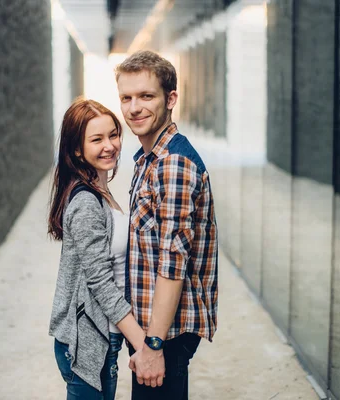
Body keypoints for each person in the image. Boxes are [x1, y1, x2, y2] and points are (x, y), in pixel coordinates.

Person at [115, 50, 219, 399]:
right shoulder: (148, 158)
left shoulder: (172, 164)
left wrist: (154, 345)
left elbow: (172, 263)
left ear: (171, 98)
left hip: (164, 335)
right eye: (126, 98)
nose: (134, 108)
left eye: (146, 96)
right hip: (149, 331)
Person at [48, 98, 146, 400]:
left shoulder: (101, 192)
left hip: (104, 335)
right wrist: (145, 344)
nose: (110, 146)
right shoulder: (87, 203)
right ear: (77, 149)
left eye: (113, 135)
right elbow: (101, 284)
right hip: (87, 339)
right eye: (97, 139)